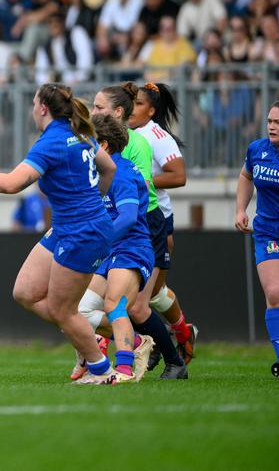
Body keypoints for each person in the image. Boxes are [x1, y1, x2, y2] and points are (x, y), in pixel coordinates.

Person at [0, 84, 119, 384]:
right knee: (25, 292)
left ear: (42, 108)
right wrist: (92, 200)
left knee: (62, 310)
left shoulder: (52, 141)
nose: (31, 109)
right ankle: (87, 341)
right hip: (71, 225)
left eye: (33, 103)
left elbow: (12, 184)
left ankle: (102, 369)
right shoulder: (79, 132)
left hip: (82, 230)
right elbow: (109, 169)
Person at [82, 83, 187, 379]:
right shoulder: (105, 161)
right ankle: (133, 346)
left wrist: (103, 235)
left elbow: (136, 200)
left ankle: (157, 360)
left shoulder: (136, 148)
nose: (93, 112)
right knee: (88, 309)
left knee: (132, 307)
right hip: (119, 232)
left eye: (99, 107)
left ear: (117, 111)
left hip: (142, 228)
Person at [73, 114, 156, 382]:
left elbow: (129, 217)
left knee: (114, 305)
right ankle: (136, 343)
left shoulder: (120, 173)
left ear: (104, 145)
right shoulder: (98, 172)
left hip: (131, 248)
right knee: (79, 311)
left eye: (88, 140)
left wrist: (100, 240)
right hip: (111, 250)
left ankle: (123, 370)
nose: (82, 144)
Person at [129, 82, 197, 366]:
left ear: (152, 110)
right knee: (144, 292)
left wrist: (139, 182)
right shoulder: (126, 133)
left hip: (157, 219)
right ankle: (167, 337)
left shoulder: (156, 135)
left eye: (139, 104)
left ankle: (176, 336)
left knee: (149, 292)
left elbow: (178, 175)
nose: (132, 108)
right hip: (131, 215)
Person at [235, 100, 279, 379]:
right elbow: (246, 176)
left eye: (278, 122)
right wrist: (240, 209)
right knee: (275, 294)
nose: (271, 126)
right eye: (269, 121)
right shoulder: (257, 149)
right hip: (270, 231)